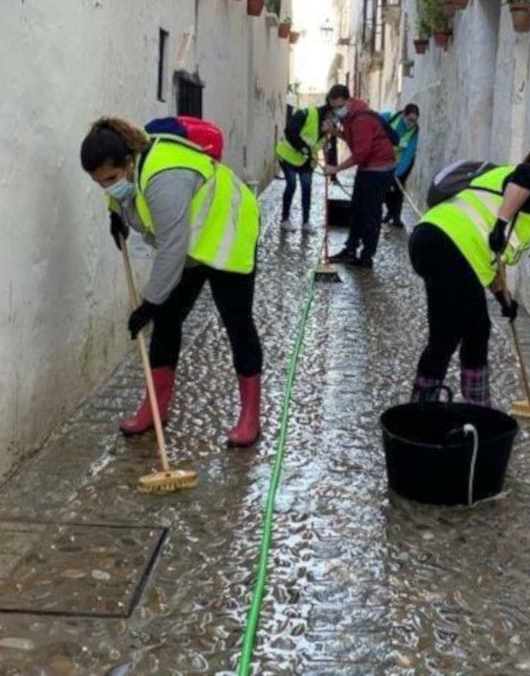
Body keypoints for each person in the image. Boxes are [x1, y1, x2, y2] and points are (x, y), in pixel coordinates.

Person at [79, 117, 264, 447]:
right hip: (193, 240)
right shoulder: (131, 170)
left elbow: (171, 247)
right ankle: (155, 407)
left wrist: (149, 303)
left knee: (236, 322)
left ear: (129, 162)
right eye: (100, 183)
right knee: (167, 319)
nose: (108, 186)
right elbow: (121, 196)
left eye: (111, 178)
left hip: (228, 234)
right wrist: (115, 214)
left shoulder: (164, 178)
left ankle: (250, 415)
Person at [408, 146, 530, 406]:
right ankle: (451, 407)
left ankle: (443, 403)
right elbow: (528, 176)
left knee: (468, 328)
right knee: (458, 332)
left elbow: (493, 262)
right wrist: (501, 224)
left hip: (430, 239)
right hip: (452, 247)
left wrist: (504, 299)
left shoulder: (501, 182)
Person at [322, 85, 397, 269]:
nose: (336, 111)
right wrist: (335, 132)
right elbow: (353, 140)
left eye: (339, 106)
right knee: (356, 209)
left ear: (348, 101)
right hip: (368, 167)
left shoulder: (360, 119)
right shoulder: (352, 114)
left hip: (378, 169)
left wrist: (336, 169)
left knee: (370, 213)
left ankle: (366, 257)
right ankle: (350, 250)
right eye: (333, 107)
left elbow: (360, 153)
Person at [274, 104, 333, 233]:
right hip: (287, 155)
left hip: (306, 161)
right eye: (333, 118)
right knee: (292, 185)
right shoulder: (308, 114)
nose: (334, 122)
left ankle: (306, 222)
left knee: (306, 187)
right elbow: (289, 130)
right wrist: (302, 147)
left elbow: (327, 149)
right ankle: (285, 220)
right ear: (328, 113)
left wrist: (331, 169)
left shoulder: (328, 130)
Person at [379, 103, 420, 229]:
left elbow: (408, 154)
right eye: (410, 120)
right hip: (385, 160)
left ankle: (396, 217)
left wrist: (396, 173)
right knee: (385, 187)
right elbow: (374, 120)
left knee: (398, 187)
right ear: (403, 114)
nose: (411, 123)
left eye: (414, 121)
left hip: (402, 163)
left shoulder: (415, 132)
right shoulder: (390, 117)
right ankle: (390, 212)